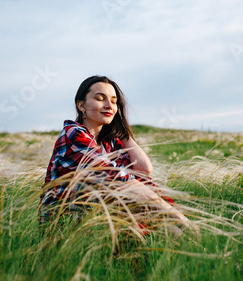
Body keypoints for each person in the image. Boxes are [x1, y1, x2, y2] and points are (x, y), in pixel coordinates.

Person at [39, 75, 198, 235]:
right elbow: (113, 176)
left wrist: (123, 133)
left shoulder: (110, 143)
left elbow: (143, 171)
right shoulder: (73, 133)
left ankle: (177, 244)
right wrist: (175, 215)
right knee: (126, 191)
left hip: (97, 211)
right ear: (81, 105)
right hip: (64, 219)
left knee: (143, 189)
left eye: (114, 102)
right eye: (100, 99)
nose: (109, 105)